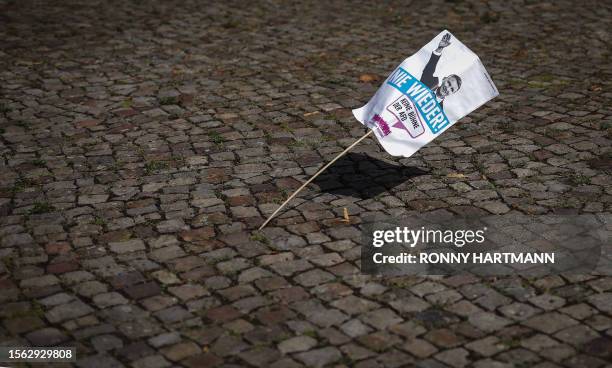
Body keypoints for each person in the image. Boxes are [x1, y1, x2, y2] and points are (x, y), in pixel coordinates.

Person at [420, 33, 462, 107]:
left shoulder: (440, 111)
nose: (447, 88)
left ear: (453, 93)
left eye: (452, 89)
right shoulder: (430, 81)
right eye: (448, 83)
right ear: (444, 79)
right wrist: (440, 48)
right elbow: (430, 68)